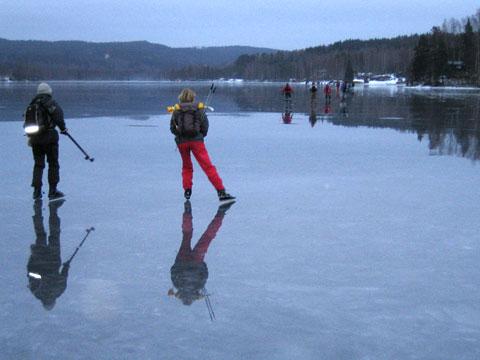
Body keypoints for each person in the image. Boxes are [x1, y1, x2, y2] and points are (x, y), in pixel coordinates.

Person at [170, 88, 235, 202]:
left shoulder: (176, 110)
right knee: (208, 167)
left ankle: (187, 190)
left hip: (182, 143)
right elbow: (205, 126)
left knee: (186, 166)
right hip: (197, 142)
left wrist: (179, 135)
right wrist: (200, 136)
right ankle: (221, 192)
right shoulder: (199, 109)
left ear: (181, 97)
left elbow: (172, 128)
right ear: (193, 97)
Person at [169, 200, 234, 306]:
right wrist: (179, 262)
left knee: (208, 236)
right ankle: (187, 212)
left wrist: (202, 264)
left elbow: (204, 274)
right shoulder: (177, 285)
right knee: (186, 234)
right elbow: (173, 271)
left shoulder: (198, 286)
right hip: (182, 260)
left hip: (197, 261)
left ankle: (221, 212)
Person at [27, 83, 67, 201]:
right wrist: (63, 129)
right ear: (48, 91)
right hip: (50, 137)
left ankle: (37, 191)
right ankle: (52, 191)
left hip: (35, 139)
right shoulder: (50, 102)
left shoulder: (32, 104)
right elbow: (58, 116)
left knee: (38, 165)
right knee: (53, 163)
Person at [27, 200, 69, 310]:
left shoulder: (59, 291)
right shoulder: (36, 292)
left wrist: (66, 266)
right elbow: (31, 273)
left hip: (54, 260)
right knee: (41, 234)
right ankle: (38, 210)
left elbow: (63, 276)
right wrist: (33, 257)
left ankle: (53, 209)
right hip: (40, 258)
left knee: (54, 233)